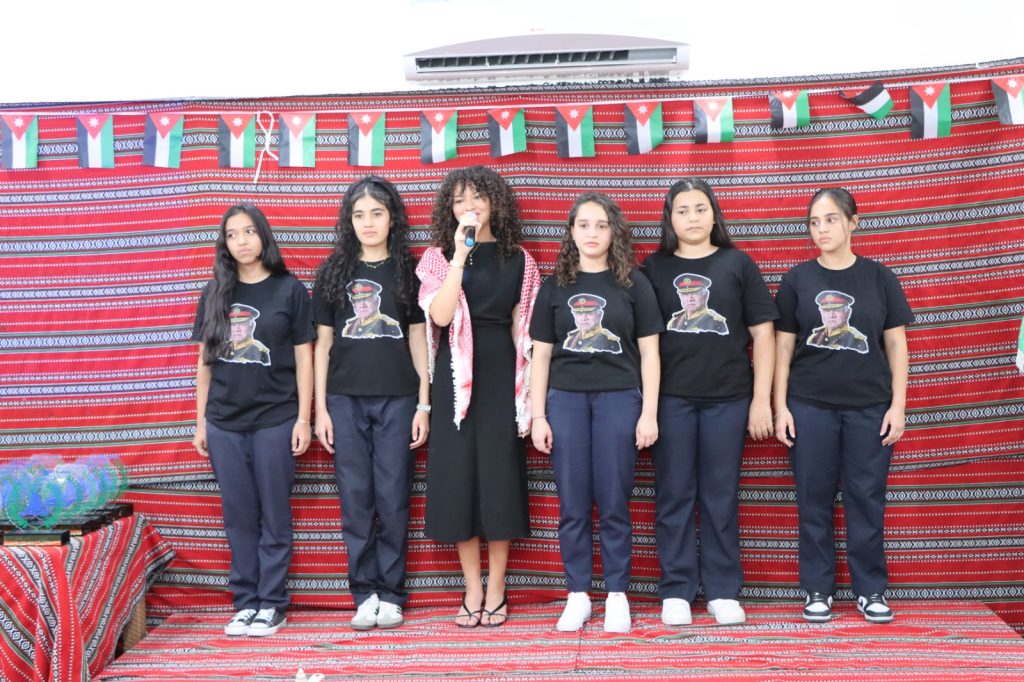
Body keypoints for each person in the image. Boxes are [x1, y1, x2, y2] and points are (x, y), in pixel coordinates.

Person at [641, 178, 778, 626]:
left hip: (729, 400)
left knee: (721, 495)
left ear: (714, 214)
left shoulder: (737, 263)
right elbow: (641, 340)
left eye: (700, 208)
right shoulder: (653, 268)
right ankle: (677, 589)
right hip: (671, 401)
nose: (693, 218)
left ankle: (722, 590)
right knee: (674, 494)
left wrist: (761, 401)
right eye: (682, 210)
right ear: (670, 218)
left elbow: (763, 334)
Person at [774, 187, 913, 624]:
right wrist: (780, 406)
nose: (821, 229)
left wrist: (898, 406)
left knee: (866, 499)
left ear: (853, 222)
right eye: (814, 222)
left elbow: (896, 344)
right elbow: (782, 348)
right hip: (809, 406)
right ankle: (818, 588)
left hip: (870, 407)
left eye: (831, 219)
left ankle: (870, 590)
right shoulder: (797, 280)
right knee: (812, 499)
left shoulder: (879, 277)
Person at [530, 192, 662, 633]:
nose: (592, 233)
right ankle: (578, 594)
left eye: (601, 225)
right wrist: (538, 415)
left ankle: (618, 593)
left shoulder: (633, 283)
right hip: (565, 400)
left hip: (620, 398)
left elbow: (650, 354)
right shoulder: (554, 286)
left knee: (614, 499)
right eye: (583, 225)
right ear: (571, 232)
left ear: (613, 232)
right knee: (572, 502)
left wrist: (649, 412)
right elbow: (541, 356)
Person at [416, 166, 541, 628]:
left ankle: (497, 586)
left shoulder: (520, 261)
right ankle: (472, 587)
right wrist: (460, 256)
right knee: (459, 481)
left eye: (477, 197)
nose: (469, 207)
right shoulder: (437, 258)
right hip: (455, 376)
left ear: (495, 203)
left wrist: (526, 395)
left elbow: (523, 333)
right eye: (459, 200)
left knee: (498, 478)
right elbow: (441, 316)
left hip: (501, 374)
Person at [192, 203, 314, 637]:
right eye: (231, 234)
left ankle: (272, 603)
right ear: (224, 244)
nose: (241, 241)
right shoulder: (215, 292)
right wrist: (201, 422)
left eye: (248, 231)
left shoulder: (289, 289)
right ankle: (245, 602)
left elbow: (305, 358)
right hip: (224, 422)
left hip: (275, 419)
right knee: (239, 516)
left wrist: (304, 418)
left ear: (263, 236)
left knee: (274, 514)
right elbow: (205, 362)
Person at [313, 176, 429, 631]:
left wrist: (424, 404)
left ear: (392, 218)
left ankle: (393, 594)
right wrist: (321, 409)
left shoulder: (409, 271)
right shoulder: (333, 271)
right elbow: (323, 345)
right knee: (355, 498)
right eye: (359, 214)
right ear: (349, 221)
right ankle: (364, 593)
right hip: (344, 400)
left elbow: (420, 340)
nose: (368, 222)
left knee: (393, 496)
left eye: (377, 213)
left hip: (399, 399)